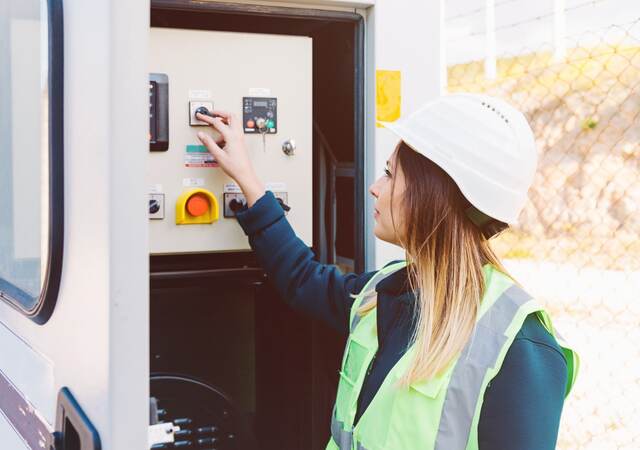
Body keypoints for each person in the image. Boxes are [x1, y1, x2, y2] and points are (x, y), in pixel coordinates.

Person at [195, 93, 579, 450]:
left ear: (434, 192)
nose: (375, 188)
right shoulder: (387, 292)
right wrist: (247, 179)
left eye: (391, 174)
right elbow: (303, 279)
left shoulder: (520, 348)